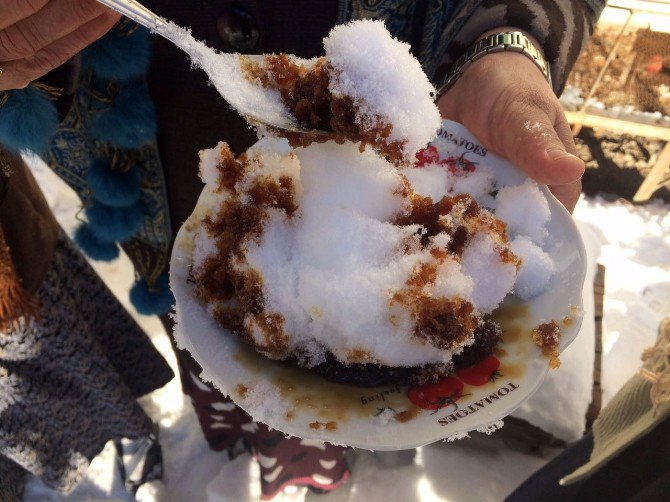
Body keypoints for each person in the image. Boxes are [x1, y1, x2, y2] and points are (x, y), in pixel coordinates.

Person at [0, 0, 605, 498]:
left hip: (431, 126)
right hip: (142, 159)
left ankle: (304, 468)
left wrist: (506, 38)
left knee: (321, 401)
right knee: (205, 334)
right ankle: (232, 431)